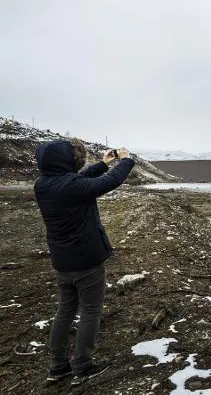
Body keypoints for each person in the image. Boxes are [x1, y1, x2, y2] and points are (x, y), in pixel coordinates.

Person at [34, 139, 135, 386]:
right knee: (90, 311)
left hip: (63, 262)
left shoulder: (43, 185)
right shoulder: (72, 187)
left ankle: (58, 368)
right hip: (87, 262)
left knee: (65, 311)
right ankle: (83, 367)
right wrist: (126, 161)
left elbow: (78, 180)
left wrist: (102, 163)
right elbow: (109, 182)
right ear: (65, 162)